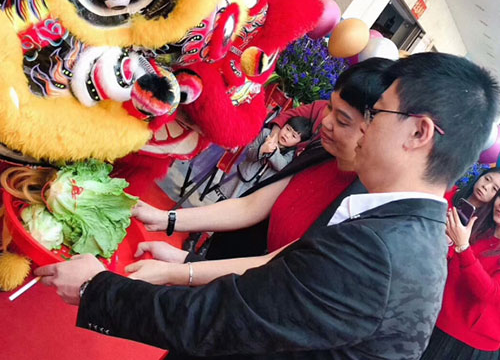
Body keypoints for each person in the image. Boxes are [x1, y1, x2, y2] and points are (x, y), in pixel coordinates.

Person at [35, 53, 499, 360]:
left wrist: (97, 289)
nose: (362, 129)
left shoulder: (380, 251)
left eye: (375, 114)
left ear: (418, 132)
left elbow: (223, 319)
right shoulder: (397, 227)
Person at [128, 57, 393, 268]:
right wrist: (166, 219)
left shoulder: (362, 206)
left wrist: (185, 266)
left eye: (343, 120)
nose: (325, 122)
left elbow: (277, 266)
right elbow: (251, 206)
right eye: (329, 107)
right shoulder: (320, 153)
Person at [421, 193, 500, 359]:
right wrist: (448, 239)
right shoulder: (480, 228)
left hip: (470, 343)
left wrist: (463, 247)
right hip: (435, 320)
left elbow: (491, 293)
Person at [212, 115, 312, 201]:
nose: (287, 135)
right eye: (287, 129)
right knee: (223, 203)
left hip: (258, 189)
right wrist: (262, 149)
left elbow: (282, 167)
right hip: (242, 177)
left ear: (298, 142)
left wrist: (274, 152)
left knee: (241, 211)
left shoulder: (291, 153)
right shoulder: (266, 134)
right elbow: (249, 152)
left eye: (293, 136)